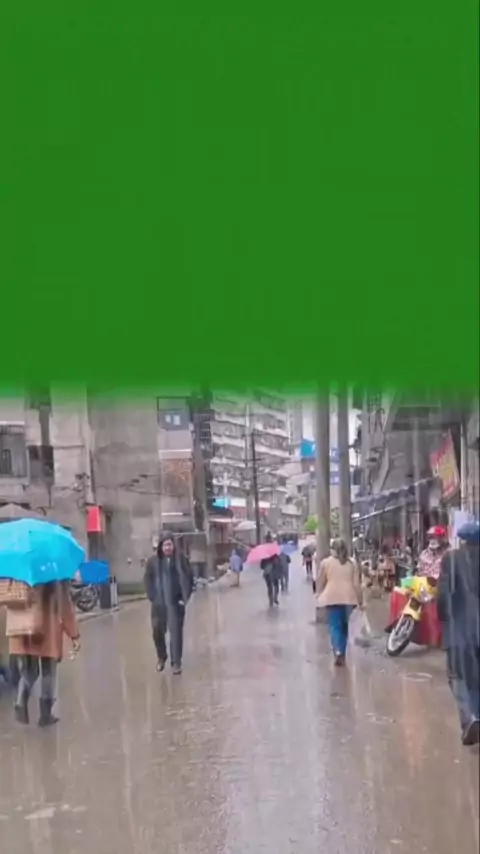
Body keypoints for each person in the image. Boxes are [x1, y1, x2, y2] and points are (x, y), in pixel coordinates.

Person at [10, 582, 80, 727]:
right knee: (49, 673)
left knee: (30, 672)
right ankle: (45, 715)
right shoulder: (55, 577)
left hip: (26, 630)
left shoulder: (21, 577)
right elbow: (65, 608)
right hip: (49, 631)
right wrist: (74, 635)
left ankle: (20, 702)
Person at [437, 521, 480, 746]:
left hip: (459, 630)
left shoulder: (450, 559)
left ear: (462, 539)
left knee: (457, 676)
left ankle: (470, 718)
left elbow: (443, 596)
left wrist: (442, 619)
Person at [144, 533, 194, 675]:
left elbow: (189, 579)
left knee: (176, 634)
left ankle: (176, 663)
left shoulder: (181, 560)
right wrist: (152, 595)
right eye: (165, 545)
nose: (167, 548)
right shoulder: (153, 562)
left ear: (173, 545)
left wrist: (184, 598)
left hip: (175, 603)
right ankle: (162, 657)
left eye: (170, 544)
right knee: (157, 632)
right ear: (160, 546)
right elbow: (147, 579)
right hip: (158, 604)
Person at [315, 538, 363, 666]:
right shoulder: (352, 563)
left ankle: (337, 650)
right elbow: (357, 585)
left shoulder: (326, 563)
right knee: (344, 627)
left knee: (334, 626)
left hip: (331, 598)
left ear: (333, 550)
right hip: (349, 599)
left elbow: (320, 580)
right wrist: (360, 600)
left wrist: (318, 593)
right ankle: (342, 651)